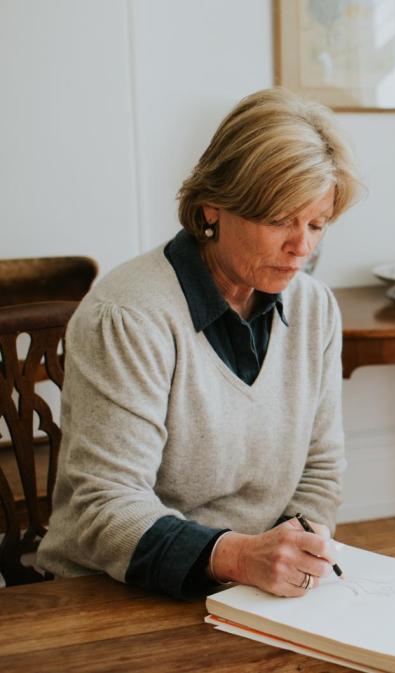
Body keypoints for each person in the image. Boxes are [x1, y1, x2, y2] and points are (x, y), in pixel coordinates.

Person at [37, 88, 359, 599]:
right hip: (108, 593)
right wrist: (238, 557)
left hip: (248, 594)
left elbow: (320, 470)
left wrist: (299, 550)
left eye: (317, 224)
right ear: (213, 208)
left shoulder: (315, 308)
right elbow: (105, 506)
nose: (302, 248)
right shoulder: (128, 316)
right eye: (279, 220)